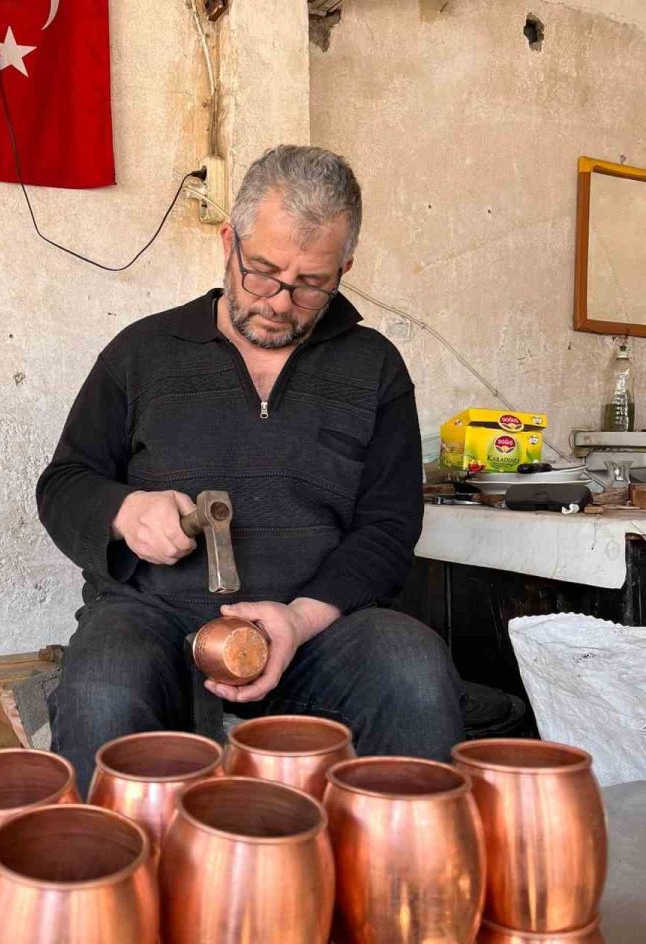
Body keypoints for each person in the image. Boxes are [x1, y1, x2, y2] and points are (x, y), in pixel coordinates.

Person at [37, 145, 464, 790]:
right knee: (103, 686)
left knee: (413, 666)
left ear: (345, 268)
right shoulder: (143, 353)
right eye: (261, 272)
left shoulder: (373, 368)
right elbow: (65, 484)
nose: (280, 302)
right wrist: (124, 512)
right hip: (155, 620)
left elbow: (388, 526)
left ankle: (402, 882)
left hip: (315, 629)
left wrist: (299, 619)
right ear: (227, 242)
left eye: (312, 283)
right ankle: (114, 885)